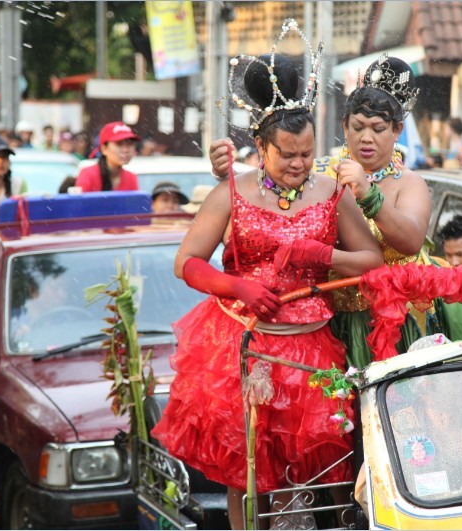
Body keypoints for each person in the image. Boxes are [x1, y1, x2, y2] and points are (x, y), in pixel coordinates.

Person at [151, 38, 383, 530]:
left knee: (319, 471)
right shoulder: (231, 192)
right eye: (287, 155)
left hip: (311, 347)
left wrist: (325, 255)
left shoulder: (329, 191)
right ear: (261, 148)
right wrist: (236, 288)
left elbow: (372, 259)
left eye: (306, 154)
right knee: (247, 471)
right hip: (243, 344)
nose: (299, 165)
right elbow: (187, 263)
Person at [209, 55, 462, 371]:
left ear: (397, 130)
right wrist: (224, 170)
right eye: (358, 127)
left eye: (378, 128)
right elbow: (269, 188)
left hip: (395, 318)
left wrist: (369, 195)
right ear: (344, 127)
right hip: (326, 316)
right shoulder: (319, 171)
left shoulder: (409, 182)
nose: (366, 137)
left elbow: (411, 241)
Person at [75, 122, 140, 192]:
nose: (126, 150)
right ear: (104, 149)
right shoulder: (88, 174)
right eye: (119, 144)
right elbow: (80, 202)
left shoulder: (131, 178)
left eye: (130, 144)